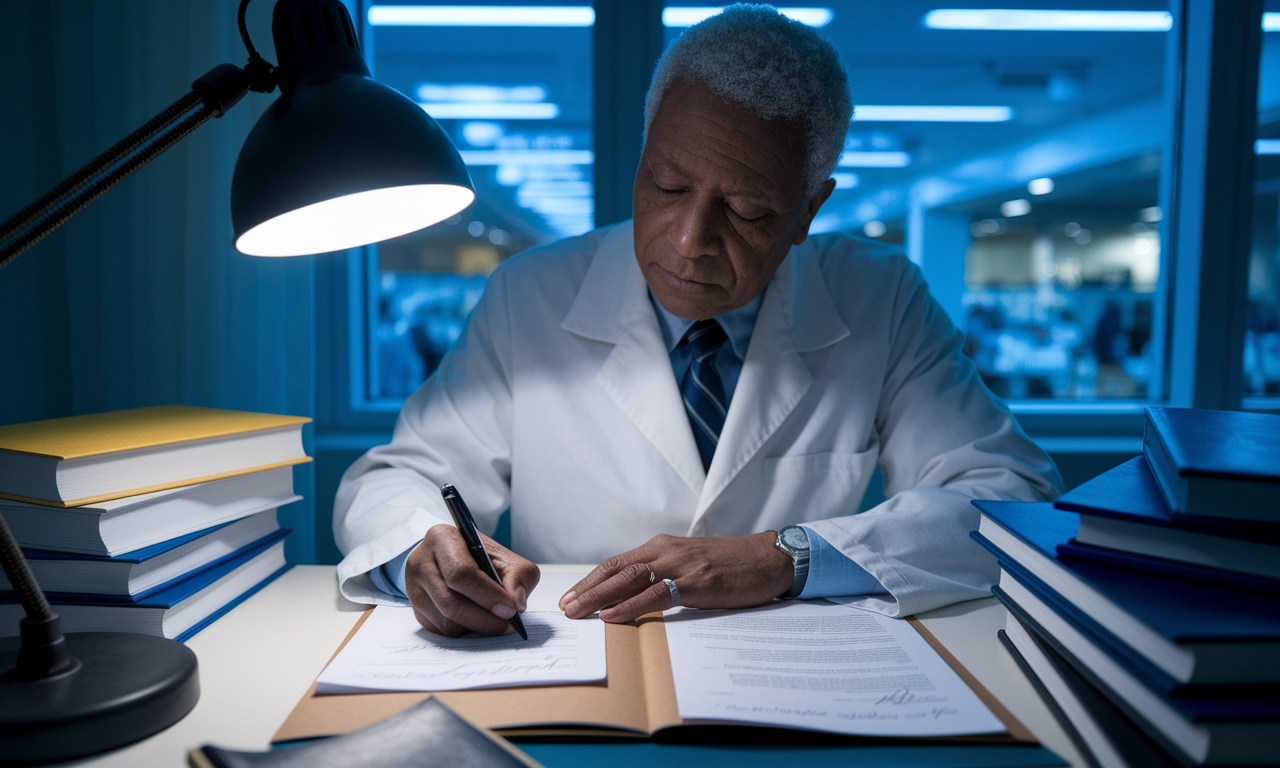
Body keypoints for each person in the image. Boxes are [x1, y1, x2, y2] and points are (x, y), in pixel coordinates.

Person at [333, 4, 1062, 637]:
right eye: (668, 184)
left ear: (809, 209)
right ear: (642, 154)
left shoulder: (881, 297)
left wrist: (786, 556)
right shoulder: (531, 294)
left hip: (797, 679)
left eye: (748, 211)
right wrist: (424, 548)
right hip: (582, 660)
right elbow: (400, 476)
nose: (689, 241)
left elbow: (1010, 499)